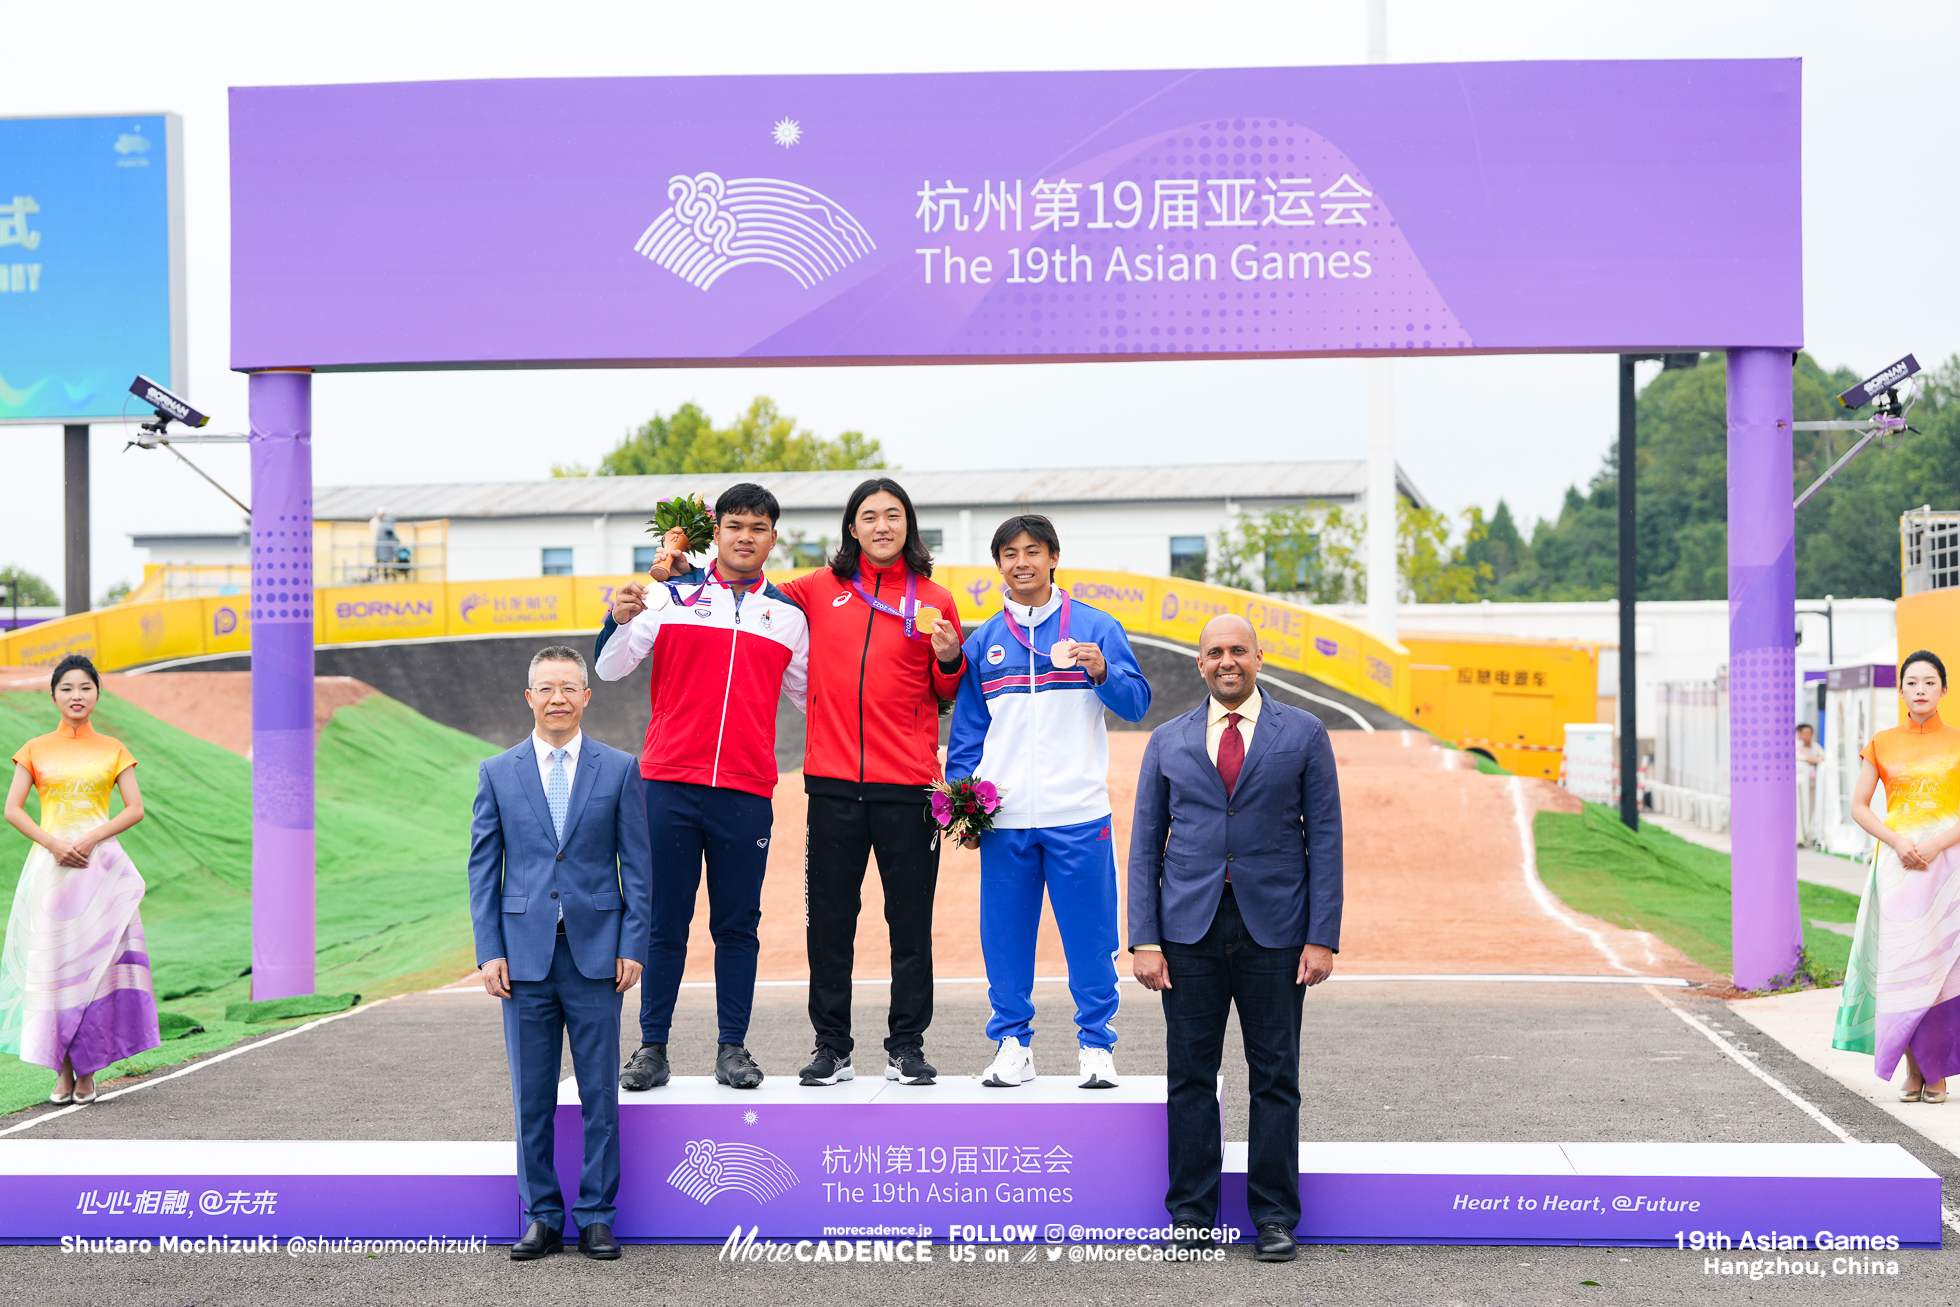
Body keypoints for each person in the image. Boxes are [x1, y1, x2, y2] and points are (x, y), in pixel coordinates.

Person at [1129, 615, 1343, 1264]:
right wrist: (1144, 938)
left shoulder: (1303, 733)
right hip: (1186, 933)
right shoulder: (1166, 740)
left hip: (1275, 932)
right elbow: (1144, 845)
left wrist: (1321, 936)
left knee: (1275, 1077)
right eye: (1215, 652)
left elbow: (1326, 840)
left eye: (1238, 651)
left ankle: (1275, 1218)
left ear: (1259, 657)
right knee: (1190, 1076)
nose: (1228, 661)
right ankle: (1191, 1216)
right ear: (1199, 663)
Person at [596, 483, 809, 1092]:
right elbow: (610, 667)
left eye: (759, 527)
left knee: (738, 924)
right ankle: (652, 1047)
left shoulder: (790, 619)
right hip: (667, 784)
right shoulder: (669, 596)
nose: (746, 536)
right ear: (715, 533)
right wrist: (618, 617)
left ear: (773, 538)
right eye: (735, 525)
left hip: (745, 789)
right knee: (665, 921)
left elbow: (816, 699)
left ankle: (732, 1049)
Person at [946, 513, 1150, 1090]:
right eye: (1009, 554)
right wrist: (964, 800)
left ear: (1054, 557)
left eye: (1032, 551)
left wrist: (1103, 670)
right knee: (1005, 938)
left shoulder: (1095, 626)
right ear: (998, 566)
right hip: (1004, 820)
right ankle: (1013, 1044)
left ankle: (1096, 1047)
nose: (1021, 562)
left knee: (1090, 939)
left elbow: (1137, 702)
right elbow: (967, 735)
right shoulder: (983, 642)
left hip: (1079, 815)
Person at [776, 478, 965, 1088]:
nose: (882, 525)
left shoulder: (934, 597)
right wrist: (683, 564)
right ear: (851, 529)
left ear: (908, 524)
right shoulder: (816, 589)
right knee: (830, 921)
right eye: (869, 516)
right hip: (831, 784)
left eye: (893, 515)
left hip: (908, 786)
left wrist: (946, 657)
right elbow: (747, 592)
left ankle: (906, 1044)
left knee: (909, 923)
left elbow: (948, 691)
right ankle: (831, 1045)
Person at [469, 645, 650, 1261]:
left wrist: (633, 944)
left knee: (600, 1092)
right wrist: (489, 950)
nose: (558, 699)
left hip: (598, 956)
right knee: (532, 1094)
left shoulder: (620, 768)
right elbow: (482, 871)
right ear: (529, 698)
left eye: (569, 688)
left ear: (587, 697)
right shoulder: (497, 772)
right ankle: (541, 1216)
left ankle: (597, 1214)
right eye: (546, 689)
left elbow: (639, 868)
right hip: (522, 961)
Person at [1, 654, 161, 1105]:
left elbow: (134, 809)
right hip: (52, 873)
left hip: (99, 871)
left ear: (97, 694)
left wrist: (91, 837)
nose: (76, 696)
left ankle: (88, 1069)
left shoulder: (113, 749)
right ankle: (63, 1071)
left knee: (96, 970)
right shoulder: (33, 749)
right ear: (53, 695)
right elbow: (12, 809)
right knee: (55, 970)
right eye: (67, 688)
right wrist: (53, 844)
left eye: (85, 688)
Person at [1835, 649, 1960, 1106]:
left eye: (1930, 682)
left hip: (1948, 869)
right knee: (1901, 968)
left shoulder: (1959, 740)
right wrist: (1898, 841)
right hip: (1898, 868)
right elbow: (1860, 806)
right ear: (1901, 689)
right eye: (1913, 682)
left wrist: (1936, 844)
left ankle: (1939, 1070)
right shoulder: (1882, 743)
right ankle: (1911, 1067)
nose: (1921, 690)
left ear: (1943, 689)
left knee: (1944, 969)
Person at [1796, 722, 1826, 848]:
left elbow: (1824, 757)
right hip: (1801, 784)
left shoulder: (1815, 746)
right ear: (1799, 734)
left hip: (1814, 782)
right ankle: (1800, 835)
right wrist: (1814, 760)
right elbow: (1801, 757)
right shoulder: (1797, 746)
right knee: (1800, 807)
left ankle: (1809, 833)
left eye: (1810, 733)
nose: (1808, 736)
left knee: (1812, 808)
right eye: (1805, 733)